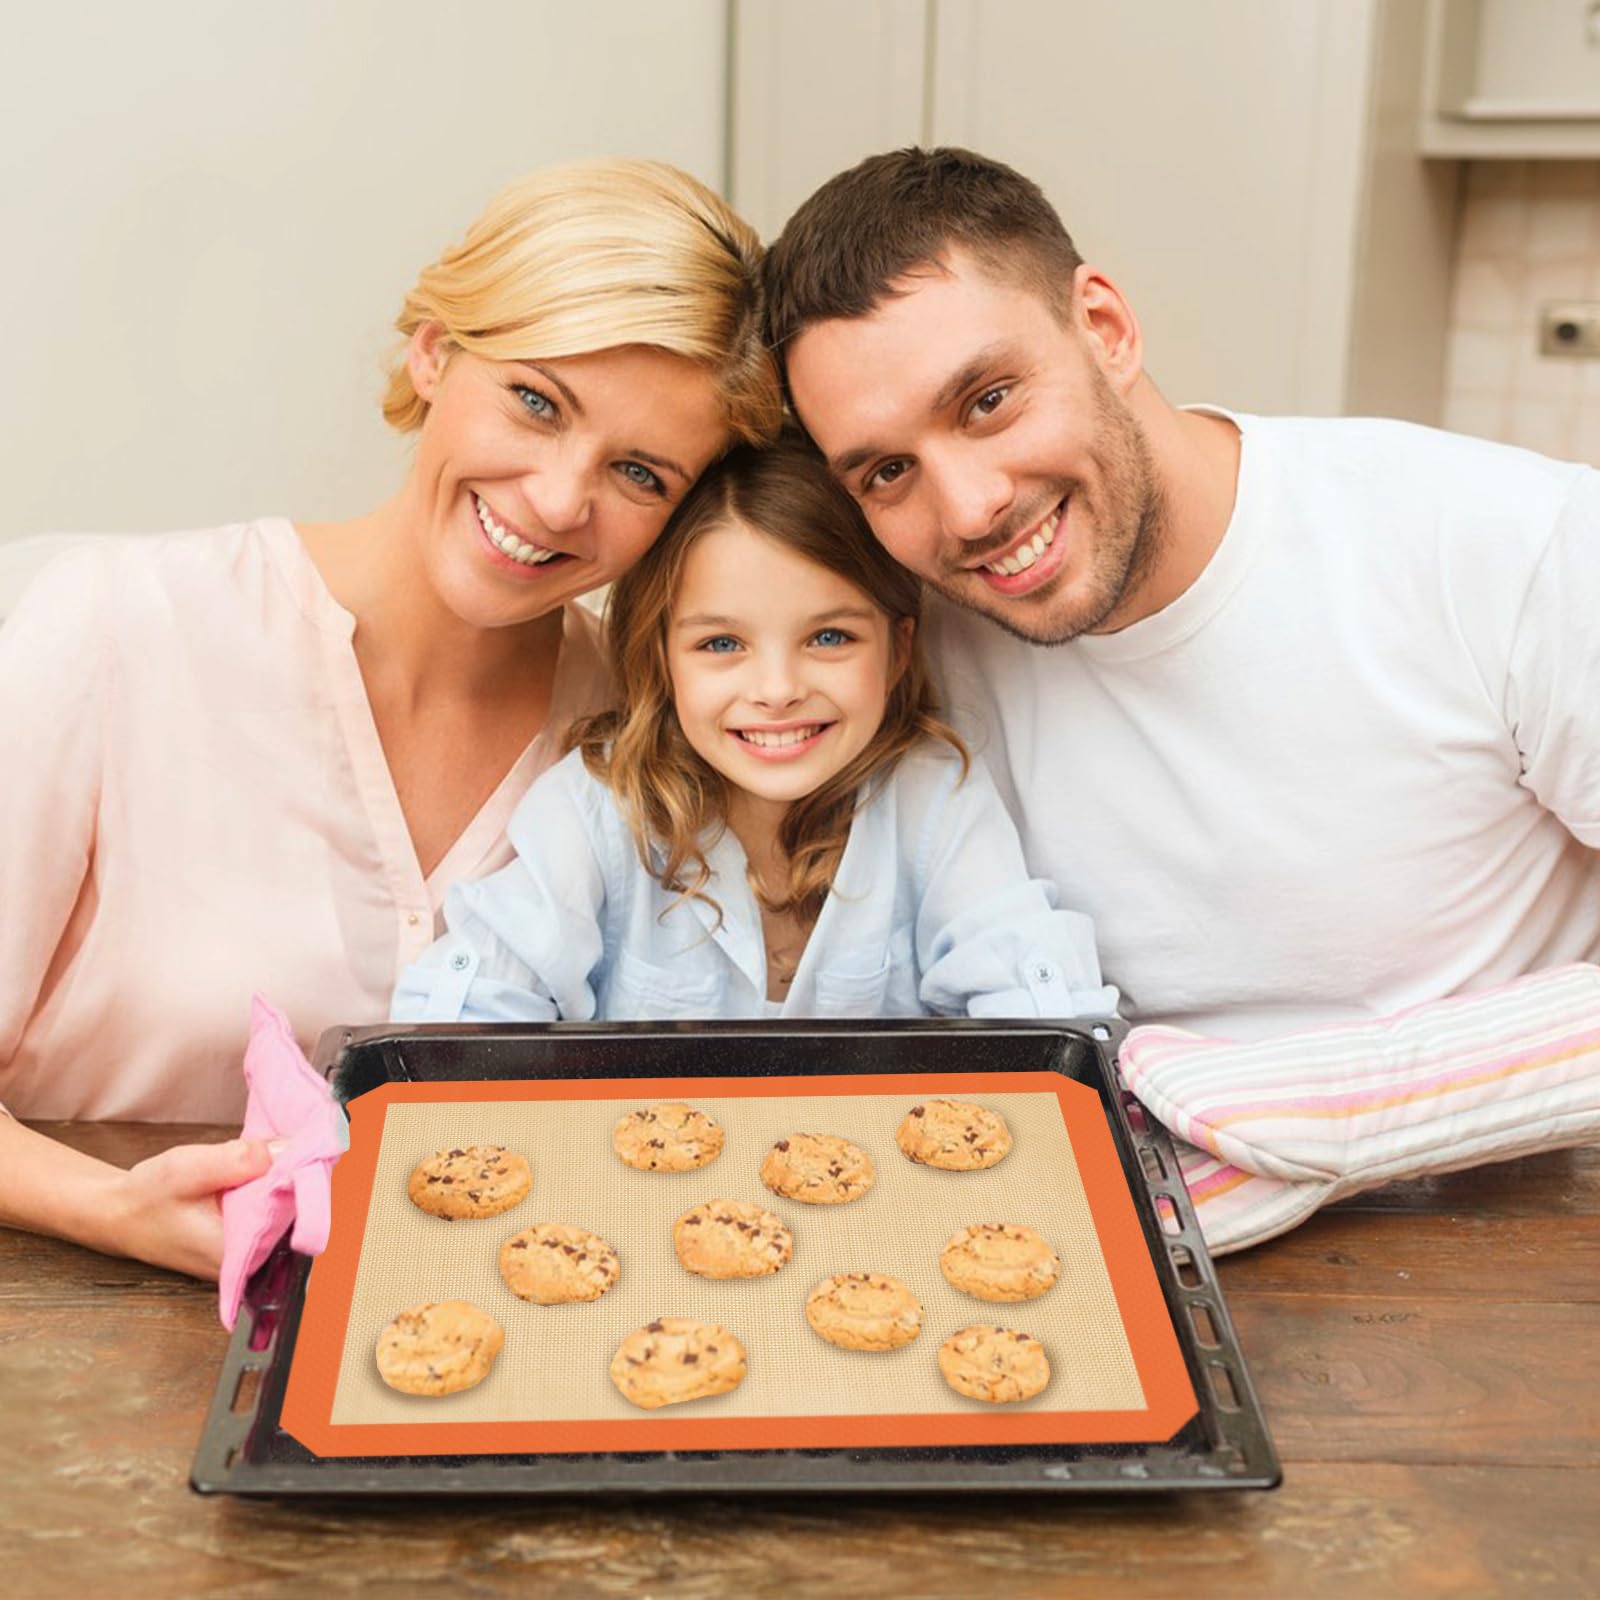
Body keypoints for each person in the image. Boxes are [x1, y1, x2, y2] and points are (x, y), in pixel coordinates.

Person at [760, 146, 1600, 1244]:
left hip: (1487, 1249)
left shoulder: (1505, 543)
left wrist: (1326, 1112)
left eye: (987, 400)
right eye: (885, 471)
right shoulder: (901, 644)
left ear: (1103, 328)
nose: (965, 510)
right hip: (1099, 1241)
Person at [0, 158, 782, 1278]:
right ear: (432, 350)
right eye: (535, 401)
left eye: (641, 473)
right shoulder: (120, 628)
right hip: (78, 1349)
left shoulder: (647, 727)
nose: (560, 499)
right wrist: (110, 1208)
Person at [394, 431, 1116, 1023]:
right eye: (721, 645)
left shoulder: (933, 797)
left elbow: (1038, 1009)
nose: (777, 691)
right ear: (662, 656)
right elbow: (468, 1010)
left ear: (897, 651)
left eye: (829, 638)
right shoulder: (597, 806)